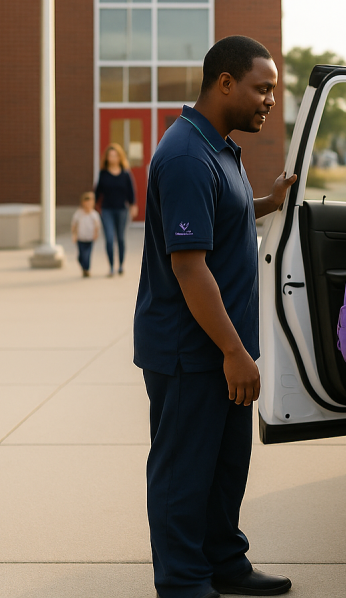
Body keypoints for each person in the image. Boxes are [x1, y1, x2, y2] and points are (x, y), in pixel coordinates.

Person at [134, 35, 297, 598]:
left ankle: (224, 561)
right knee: (184, 471)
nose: (270, 100)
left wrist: (268, 203)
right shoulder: (184, 154)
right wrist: (233, 351)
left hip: (224, 349)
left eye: (273, 90)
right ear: (224, 82)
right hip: (191, 350)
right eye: (262, 88)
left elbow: (217, 216)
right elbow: (189, 267)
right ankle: (182, 581)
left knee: (226, 466)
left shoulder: (218, 147)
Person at [95, 143, 136, 277]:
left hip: (122, 210)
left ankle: (121, 265)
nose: (112, 158)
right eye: (110, 156)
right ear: (107, 158)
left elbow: (131, 192)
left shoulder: (125, 174)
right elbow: (97, 192)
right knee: (109, 239)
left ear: (120, 157)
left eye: (115, 155)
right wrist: (91, 207)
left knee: (121, 239)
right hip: (107, 210)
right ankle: (111, 267)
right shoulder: (103, 173)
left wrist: (133, 205)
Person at [71, 191, 101, 277]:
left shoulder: (94, 214)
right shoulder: (79, 214)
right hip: (81, 238)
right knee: (81, 256)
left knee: (87, 255)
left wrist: (96, 234)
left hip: (89, 238)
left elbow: (97, 226)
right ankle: (84, 267)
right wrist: (74, 234)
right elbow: (74, 225)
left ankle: (86, 269)